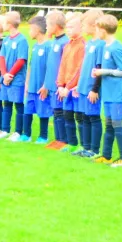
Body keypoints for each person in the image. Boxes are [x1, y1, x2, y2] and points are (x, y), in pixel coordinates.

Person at [92, 15, 122, 167]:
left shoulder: (117, 47)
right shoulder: (105, 47)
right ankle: (106, 156)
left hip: (118, 94)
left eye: (97, 28)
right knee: (108, 124)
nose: (96, 31)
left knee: (117, 123)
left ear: (103, 30)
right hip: (108, 93)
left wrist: (104, 72)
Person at [73, 9, 105, 157]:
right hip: (83, 86)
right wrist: (78, 85)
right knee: (84, 116)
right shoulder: (89, 44)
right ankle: (85, 147)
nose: (83, 28)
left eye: (84, 24)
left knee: (93, 117)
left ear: (93, 25)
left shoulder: (100, 45)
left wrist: (95, 89)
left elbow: (99, 68)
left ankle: (94, 150)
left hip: (92, 88)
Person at [0, 11, 29, 140]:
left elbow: (21, 60)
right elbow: (1, 57)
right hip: (6, 78)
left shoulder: (22, 40)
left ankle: (18, 132)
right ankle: (5, 129)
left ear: (9, 24)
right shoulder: (6, 40)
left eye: (4, 22)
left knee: (19, 105)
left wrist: (10, 75)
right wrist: (4, 75)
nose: (2, 24)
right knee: (7, 103)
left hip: (17, 79)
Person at [56, 13, 86, 153]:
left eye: (72, 27)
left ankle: (84, 145)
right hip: (65, 87)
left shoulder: (82, 46)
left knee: (79, 117)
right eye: (67, 27)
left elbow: (79, 69)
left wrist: (69, 87)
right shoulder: (67, 45)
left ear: (81, 28)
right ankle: (71, 143)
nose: (68, 29)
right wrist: (60, 85)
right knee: (67, 115)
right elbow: (62, 66)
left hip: (75, 88)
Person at [21, 16, 52, 143]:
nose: (29, 32)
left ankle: (43, 136)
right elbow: (30, 65)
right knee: (27, 110)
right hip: (32, 86)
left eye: (30, 29)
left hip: (42, 87)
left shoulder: (48, 46)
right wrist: (27, 83)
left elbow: (51, 69)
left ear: (37, 29)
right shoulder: (34, 46)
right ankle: (26, 134)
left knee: (43, 111)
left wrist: (46, 85)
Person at [43, 10, 70, 150]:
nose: (46, 27)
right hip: (52, 85)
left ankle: (63, 140)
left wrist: (63, 84)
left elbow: (65, 66)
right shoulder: (54, 42)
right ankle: (58, 139)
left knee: (60, 113)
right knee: (55, 112)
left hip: (60, 85)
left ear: (56, 26)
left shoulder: (65, 42)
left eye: (48, 24)